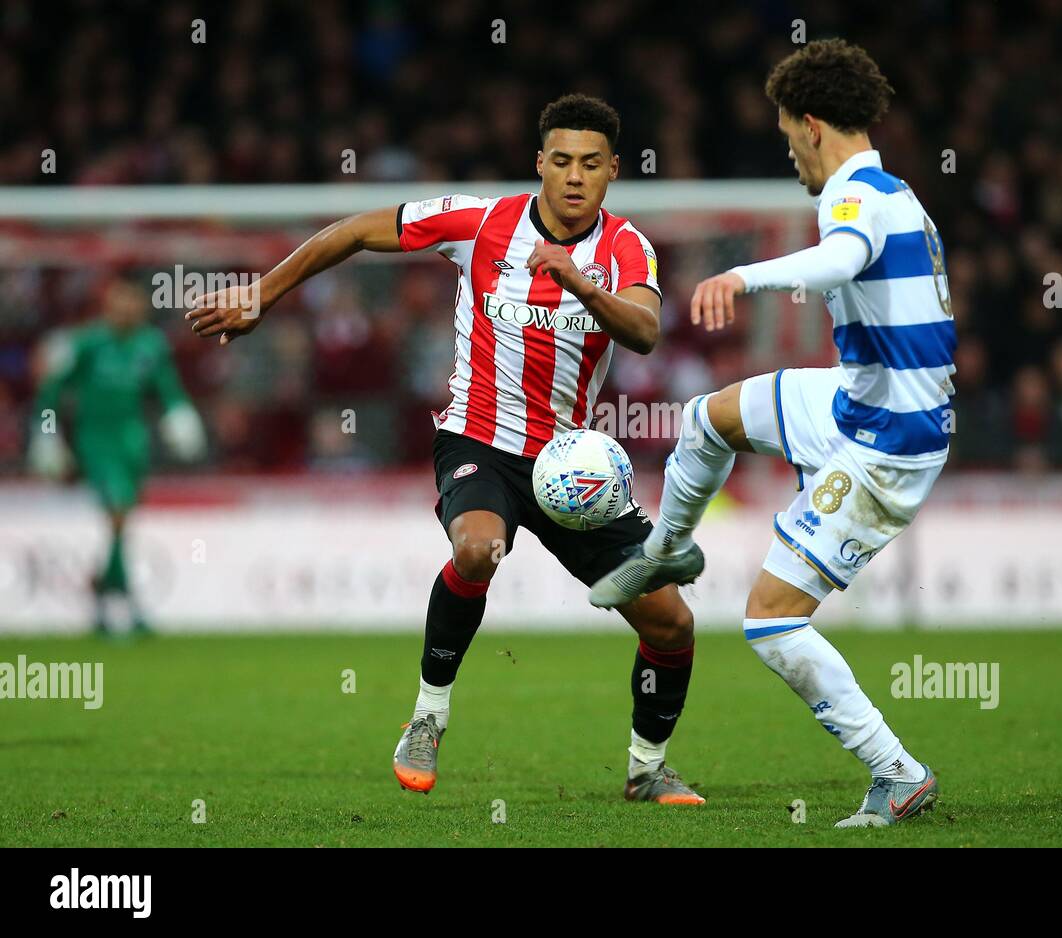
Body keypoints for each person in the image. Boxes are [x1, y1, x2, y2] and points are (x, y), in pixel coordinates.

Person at [184, 94, 704, 806]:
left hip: (571, 468)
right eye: (560, 161)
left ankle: (647, 768)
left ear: (613, 170)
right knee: (477, 549)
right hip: (479, 442)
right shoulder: (483, 221)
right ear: (539, 164)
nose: (574, 177)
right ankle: (427, 719)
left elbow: (645, 330)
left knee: (672, 623)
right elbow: (360, 230)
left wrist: (577, 281)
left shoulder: (623, 249)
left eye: (590, 164)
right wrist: (265, 292)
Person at [591, 41, 954, 827]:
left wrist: (742, 277)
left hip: (888, 440)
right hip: (862, 403)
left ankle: (897, 774)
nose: (790, 155)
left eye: (790, 137)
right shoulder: (900, 194)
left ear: (814, 126)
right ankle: (666, 553)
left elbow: (843, 258)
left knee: (772, 618)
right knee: (708, 417)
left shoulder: (853, 198)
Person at [29, 274, 206, 634]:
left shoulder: (151, 345)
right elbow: (51, 392)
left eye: (133, 301)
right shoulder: (86, 343)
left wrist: (180, 413)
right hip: (96, 439)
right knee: (118, 512)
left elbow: (168, 386)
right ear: (108, 304)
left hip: (133, 439)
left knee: (121, 523)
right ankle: (128, 604)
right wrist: (46, 436)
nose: (127, 308)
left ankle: (105, 598)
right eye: (120, 300)